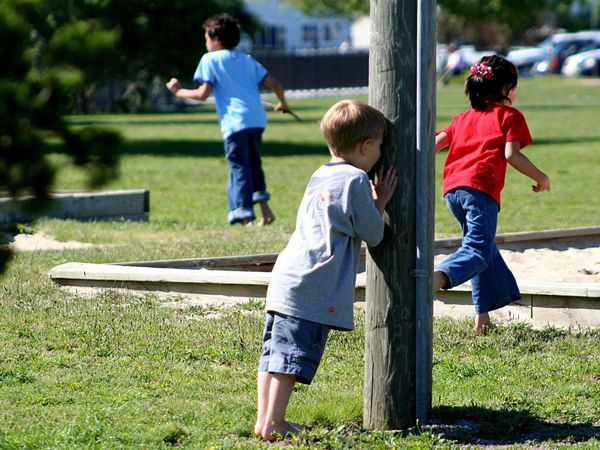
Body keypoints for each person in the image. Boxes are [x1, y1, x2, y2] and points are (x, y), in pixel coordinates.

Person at [255, 100, 398, 441]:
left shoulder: (321, 173)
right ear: (365, 146)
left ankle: (265, 420)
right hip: (312, 283)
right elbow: (373, 233)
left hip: (288, 276)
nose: (380, 152)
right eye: (379, 146)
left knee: (273, 353)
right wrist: (381, 202)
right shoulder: (355, 181)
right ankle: (274, 424)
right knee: (290, 356)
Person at [433, 55, 551, 335]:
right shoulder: (510, 116)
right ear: (507, 89)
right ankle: (433, 280)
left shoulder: (462, 118)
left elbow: (434, 144)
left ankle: (482, 319)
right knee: (477, 249)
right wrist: (541, 177)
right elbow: (511, 154)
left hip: (453, 191)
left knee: (483, 250)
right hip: (480, 190)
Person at [165, 14, 290, 225]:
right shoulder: (246, 59)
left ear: (216, 39)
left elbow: (202, 94)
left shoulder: (210, 59)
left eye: (206, 38)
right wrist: (283, 104)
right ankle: (266, 211)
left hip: (234, 123)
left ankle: (245, 215)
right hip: (256, 121)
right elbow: (275, 83)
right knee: (253, 164)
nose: (205, 43)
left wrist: (178, 92)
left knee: (239, 167)